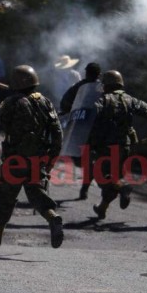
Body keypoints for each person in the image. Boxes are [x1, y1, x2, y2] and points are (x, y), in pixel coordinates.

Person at [0, 65, 64, 249]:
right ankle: (53, 217)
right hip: (38, 160)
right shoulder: (45, 102)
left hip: (14, 161)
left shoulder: (11, 102)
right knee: (36, 193)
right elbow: (57, 132)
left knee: (4, 197)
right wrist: (52, 158)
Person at [89, 70, 147, 219]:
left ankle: (123, 186)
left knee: (101, 176)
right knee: (114, 176)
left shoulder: (102, 100)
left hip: (105, 146)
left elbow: (91, 117)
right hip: (125, 148)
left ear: (107, 85)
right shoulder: (130, 100)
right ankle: (102, 208)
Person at [60, 62, 102, 200]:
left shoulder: (98, 88)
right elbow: (65, 102)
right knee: (83, 160)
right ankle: (94, 182)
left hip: (87, 128)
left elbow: (65, 102)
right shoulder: (86, 87)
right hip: (89, 128)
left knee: (84, 160)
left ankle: (90, 186)